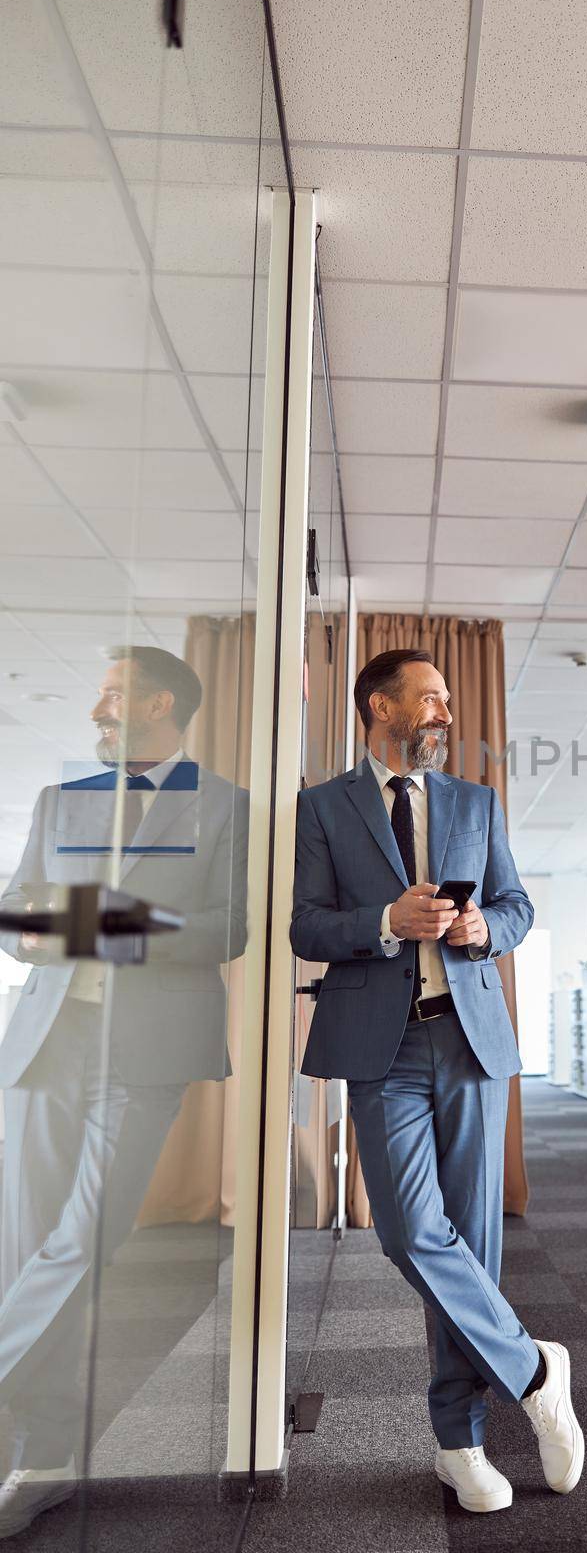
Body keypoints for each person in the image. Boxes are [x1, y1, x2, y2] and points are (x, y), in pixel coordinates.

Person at [291, 648, 584, 1513]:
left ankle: (461, 1445)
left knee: (474, 1245)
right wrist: (386, 920)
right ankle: (536, 1369)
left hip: (469, 1045)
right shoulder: (320, 808)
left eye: (447, 701)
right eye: (428, 699)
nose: (443, 714)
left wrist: (478, 929)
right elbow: (306, 924)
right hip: (383, 1051)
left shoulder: (474, 803)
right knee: (413, 1234)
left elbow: (518, 906)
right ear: (379, 706)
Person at [0, 646, 248, 1538]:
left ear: (160, 706)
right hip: (45, 1048)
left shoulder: (227, 805)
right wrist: (53, 931)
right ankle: (43, 1458)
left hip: (142, 1055)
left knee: (79, 1242)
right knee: (27, 1249)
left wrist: (127, 935)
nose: (98, 711)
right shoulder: (57, 798)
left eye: (113, 696)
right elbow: (12, 906)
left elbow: (231, 928)